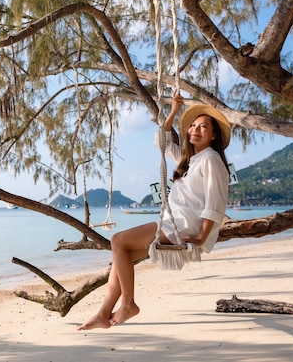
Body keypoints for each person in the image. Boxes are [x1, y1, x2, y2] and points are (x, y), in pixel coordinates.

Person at [77, 92, 231, 330]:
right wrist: (173, 111)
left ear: (213, 136)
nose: (195, 130)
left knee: (117, 240)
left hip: (182, 224)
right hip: (174, 221)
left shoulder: (211, 159)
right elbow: (162, 142)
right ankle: (103, 313)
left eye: (203, 127)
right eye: (192, 126)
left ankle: (128, 303)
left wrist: (201, 237)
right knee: (123, 256)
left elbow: (215, 203)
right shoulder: (190, 159)